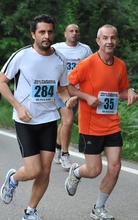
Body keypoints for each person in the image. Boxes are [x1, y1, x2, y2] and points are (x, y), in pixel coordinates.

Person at [0, 14, 77, 220]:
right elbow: (0, 81)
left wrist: (67, 101)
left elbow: (61, 89)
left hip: (49, 119)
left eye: (50, 32)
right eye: (42, 32)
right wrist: (18, 107)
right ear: (33, 34)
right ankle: (13, 179)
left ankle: (30, 211)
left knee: (46, 170)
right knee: (32, 171)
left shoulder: (60, 59)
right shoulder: (22, 56)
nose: (46, 36)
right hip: (25, 121)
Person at [64, 24, 138, 220]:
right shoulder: (87, 64)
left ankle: (98, 207)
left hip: (112, 123)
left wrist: (129, 92)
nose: (109, 42)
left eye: (113, 38)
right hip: (90, 125)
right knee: (94, 170)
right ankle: (77, 172)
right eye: (105, 38)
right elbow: (68, 87)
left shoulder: (120, 66)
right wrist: (86, 97)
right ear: (98, 41)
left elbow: (120, 91)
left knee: (115, 167)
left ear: (117, 40)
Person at [52, 24, 92, 169]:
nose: (74, 33)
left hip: (78, 91)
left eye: (77, 31)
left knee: (64, 123)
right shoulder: (56, 48)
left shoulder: (85, 49)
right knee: (68, 121)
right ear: (65, 34)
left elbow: (91, 69)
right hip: (61, 90)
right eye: (71, 31)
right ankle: (65, 155)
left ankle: (57, 147)